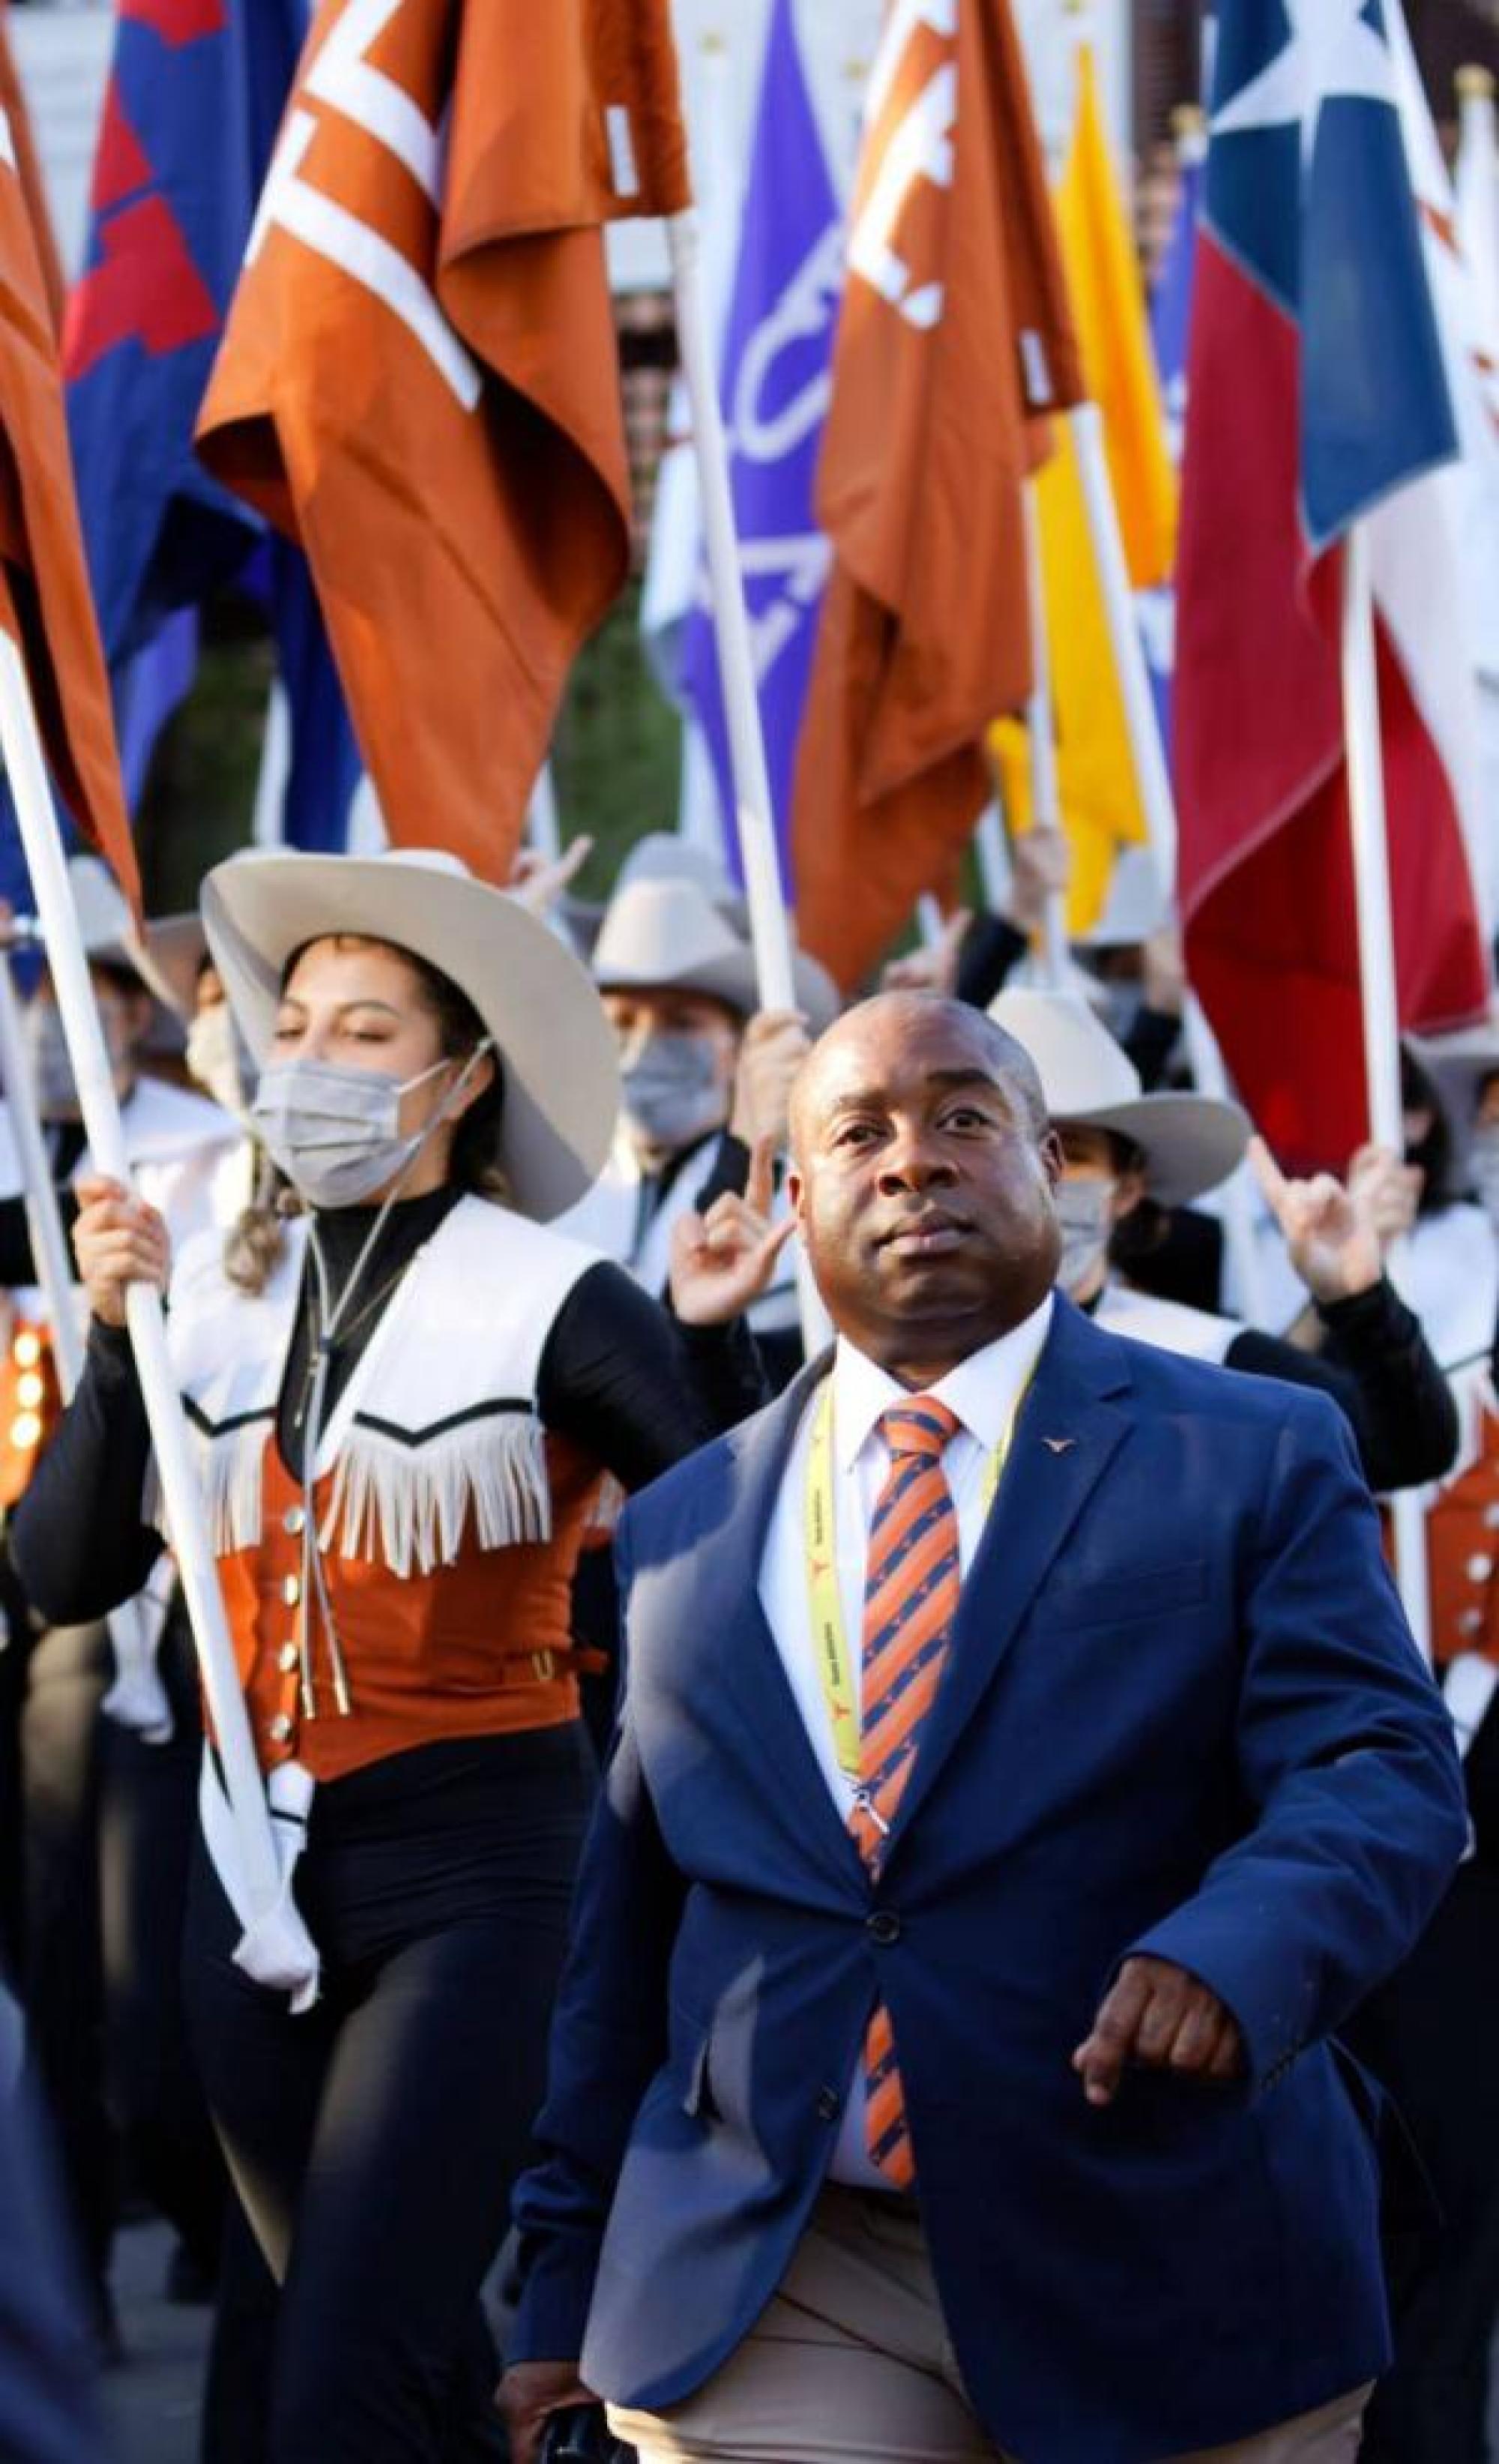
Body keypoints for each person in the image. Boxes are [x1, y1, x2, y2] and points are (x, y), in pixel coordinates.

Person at [501, 991, 1465, 2464]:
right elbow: (626, 1932)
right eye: (858, 1131)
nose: (911, 1160)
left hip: (1161, 2249)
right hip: (786, 2267)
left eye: (964, 1117)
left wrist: (1235, 1943)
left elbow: (1382, 1763)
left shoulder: (1245, 1447)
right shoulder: (685, 1520)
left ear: (1059, 1169)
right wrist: (558, 2282)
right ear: (794, 1190)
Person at [10, 847, 783, 2464]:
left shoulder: (553, 1291)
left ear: (464, 1074)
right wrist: (108, 1337)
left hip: (479, 1871)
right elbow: (59, 1571)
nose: (307, 1058)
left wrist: (707, 1336)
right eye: (294, 1021)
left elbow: (739, 1539)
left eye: (365, 1030)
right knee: (399, 2353)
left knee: (337, 2381)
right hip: (244, 1868)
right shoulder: (202, 1284)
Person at [0, 856, 244, 2351]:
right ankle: (62, 2270)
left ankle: (203, 2213)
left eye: (89, 985)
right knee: (30, 1978)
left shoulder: (197, 1155)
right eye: (34, 982)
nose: (53, 1013)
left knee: (111, 1972)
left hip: (110, 1606)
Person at [989, 989, 1458, 1495]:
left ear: (1127, 1188)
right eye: (1011, 1149)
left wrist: (1360, 1299)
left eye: (1072, 1152)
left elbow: (1406, 1451)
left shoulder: (1202, 1359)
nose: (1043, 1178)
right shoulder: (908, 1357)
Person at [560, 874, 836, 1387]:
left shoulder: (803, 1207)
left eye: (681, 1022)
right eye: (622, 1020)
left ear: (738, 1046)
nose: (646, 1046)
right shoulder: (558, 1188)